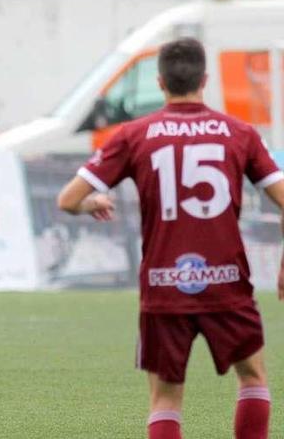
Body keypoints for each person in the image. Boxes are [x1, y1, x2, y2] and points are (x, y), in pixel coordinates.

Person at [57, 37, 284, 439]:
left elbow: (67, 199)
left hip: (164, 285)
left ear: (160, 82)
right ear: (206, 79)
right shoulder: (240, 133)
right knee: (252, 379)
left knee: (165, 399)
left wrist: (92, 203)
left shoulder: (134, 134)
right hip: (227, 283)